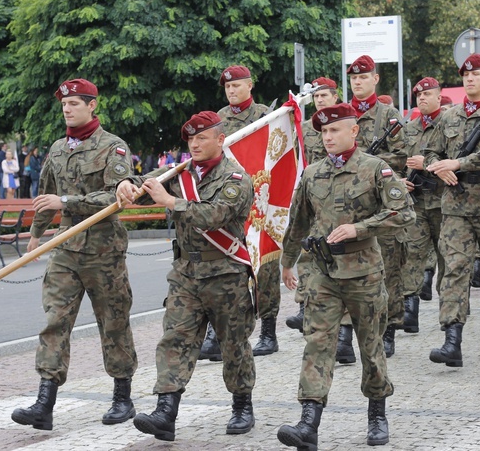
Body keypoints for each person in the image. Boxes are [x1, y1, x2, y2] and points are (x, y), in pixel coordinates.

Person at [277, 103, 415, 449]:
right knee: (317, 345)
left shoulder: (375, 169)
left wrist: (360, 228)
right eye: (323, 132)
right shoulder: (312, 174)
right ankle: (309, 423)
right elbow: (297, 222)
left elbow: (403, 212)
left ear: (354, 131)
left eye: (335, 130)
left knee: (370, 348)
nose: (328, 137)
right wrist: (287, 261)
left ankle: (377, 413)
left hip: (365, 274)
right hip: (323, 274)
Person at [117, 111, 257, 440]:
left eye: (202, 138)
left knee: (233, 344)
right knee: (174, 340)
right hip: (185, 274)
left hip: (225, 274)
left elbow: (214, 215)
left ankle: (242, 404)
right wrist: (128, 183)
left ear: (220, 140)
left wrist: (170, 201)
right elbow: (145, 180)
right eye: (190, 139)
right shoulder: (179, 173)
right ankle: (166, 411)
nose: (194, 144)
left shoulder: (235, 179)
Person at [11, 79, 138, 430]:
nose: (67, 109)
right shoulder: (57, 149)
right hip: (65, 250)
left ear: (92, 106)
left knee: (113, 323)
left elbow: (118, 199)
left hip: (103, 252)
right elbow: (45, 195)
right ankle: (44, 402)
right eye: (64, 105)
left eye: (74, 104)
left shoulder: (113, 148)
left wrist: (66, 203)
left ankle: (122, 397)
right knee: (55, 322)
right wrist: (37, 233)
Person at [423, 53, 480, 366]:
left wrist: (460, 163)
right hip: (457, 205)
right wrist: (437, 167)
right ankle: (452, 339)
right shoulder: (448, 117)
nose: (470, 79)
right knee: (454, 270)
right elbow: (428, 153)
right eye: (466, 75)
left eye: (476, 74)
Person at [198, 65, 278, 361]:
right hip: (228, 202)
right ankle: (218, 334)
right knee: (227, 267)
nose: (231, 91)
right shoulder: (218, 119)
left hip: (260, 198)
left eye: (237, 86)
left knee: (264, 267)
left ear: (250, 85)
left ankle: (268, 331)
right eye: (227, 87)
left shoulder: (264, 116)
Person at [346, 54, 407, 357]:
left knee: (388, 268)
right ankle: (346, 332)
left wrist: (368, 163)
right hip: (347, 204)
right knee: (344, 266)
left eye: (363, 77)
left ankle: (389, 327)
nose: (357, 82)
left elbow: (402, 156)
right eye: (353, 78)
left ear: (375, 79)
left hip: (379, 200)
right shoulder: (341, 115)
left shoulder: (388, 114)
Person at [285, 77, 339, 334]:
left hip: (338, 195)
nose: (319, 100)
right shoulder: (305, 128)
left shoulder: (343, 123)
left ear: (335, 97)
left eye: (324, 96)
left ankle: (341, 318)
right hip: (311, 194)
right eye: (316, 97)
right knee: (307, 250)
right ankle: (305, 306)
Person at [400, 77, 446, 331]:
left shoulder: (450, 123)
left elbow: (457, 158)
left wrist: (426, 164)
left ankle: (449, 314)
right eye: (419, 95)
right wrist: (400, 181)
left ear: (439, 97)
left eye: (427, 94)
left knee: (447, 258)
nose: (422, 98)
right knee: (413, 255)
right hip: (416, 202)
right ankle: (410, 311)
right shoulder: (410, 128)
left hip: (444, 202)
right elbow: (398, 160)